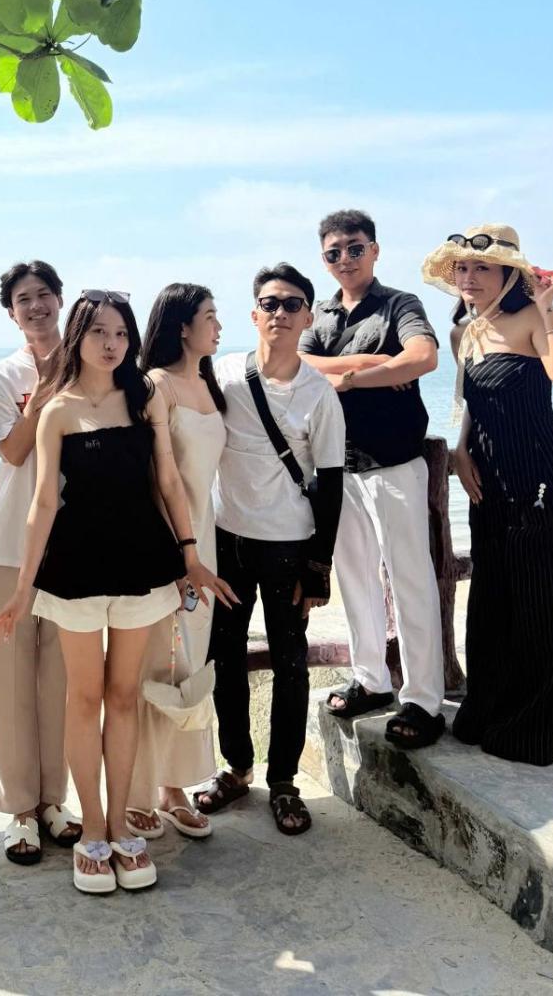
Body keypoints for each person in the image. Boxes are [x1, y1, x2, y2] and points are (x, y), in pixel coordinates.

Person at [0, 290, 234, 894]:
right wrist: (22, 591)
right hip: (74, 569)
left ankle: (121, 826)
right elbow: (44, 503)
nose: (111, 343)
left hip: (143, 563)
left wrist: (191, 555)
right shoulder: (57, 410)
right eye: (99, 331)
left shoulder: (143, 397)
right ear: (79, 336)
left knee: (123, 697)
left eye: (121, 333)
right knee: (84, 697)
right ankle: (91, 829)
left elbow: (167, 480)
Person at [422, 225, 553, 765]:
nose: (469, 278)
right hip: (488, 478)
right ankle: (490, 706)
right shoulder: (463, 332)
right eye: (462, 268)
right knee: (495, 596)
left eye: (482, 268)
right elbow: (472, 400)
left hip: (540, 474)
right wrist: (461, 448)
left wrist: (548, 308)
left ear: (509, 274)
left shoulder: (532, 318)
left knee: (544, 599)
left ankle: (532, 722)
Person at [196, 264, 344, 836]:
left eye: (292, 304)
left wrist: (320, 567)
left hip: (289, 546)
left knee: (290, 663)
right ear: (254, 315)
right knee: (225, 658)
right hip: (226, 540)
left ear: (308, 318)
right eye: (270, 303)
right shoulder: (224, 373)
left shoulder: (319, 394)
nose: (280, 312)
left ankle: (283, 781)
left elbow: (331, 483)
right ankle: (237, 768)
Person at [299, 209, 446, 750]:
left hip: (395, 462)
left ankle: (424, 699)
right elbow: (297, 366)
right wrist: (375, 364)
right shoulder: (317, 315)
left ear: (375, 250)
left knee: (410, 579)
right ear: (324, 259)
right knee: (354, 578)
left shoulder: (400, 304)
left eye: (355, 248)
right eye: (334, 252)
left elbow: (423, 357)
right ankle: (371, 680)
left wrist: (348, 379)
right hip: (337, 465)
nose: (345, 259)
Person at [0, 260, 81, 864]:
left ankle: (53, 800)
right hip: (10, 545)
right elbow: (14, 452)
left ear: (60, 299)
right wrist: (43, 391)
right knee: (11, 676)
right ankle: (20, 807)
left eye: (44, 294)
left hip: (74, 543)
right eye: (24, 299)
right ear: (11, 312)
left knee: (61, 679)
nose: (36, 306)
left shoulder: (93, 362)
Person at [126, 283, 228, 842]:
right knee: (157, 662)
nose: (218, 326)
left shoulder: (210, 382)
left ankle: (175, 785)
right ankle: (141, 789)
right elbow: (154, 476)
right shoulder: (155, 385)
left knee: (189, 662)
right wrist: (178, 552)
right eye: (209, 317)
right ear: (182, 327)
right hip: (167, 540)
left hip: (205, 536)